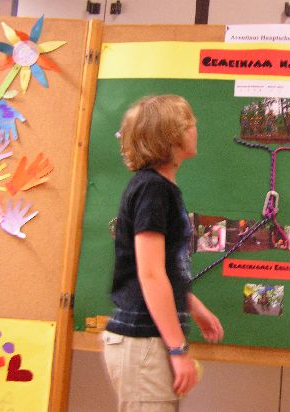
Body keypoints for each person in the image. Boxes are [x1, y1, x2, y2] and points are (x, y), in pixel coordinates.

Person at [103, 95, 224, 411]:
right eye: (189, 124)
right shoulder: (153, 189)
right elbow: (150, 274)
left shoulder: (160, 188)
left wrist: (193, 307)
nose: (195, 129)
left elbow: (165, 269)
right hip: (143, 342)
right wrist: (178, 350)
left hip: (148, 342)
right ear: (170, 137)